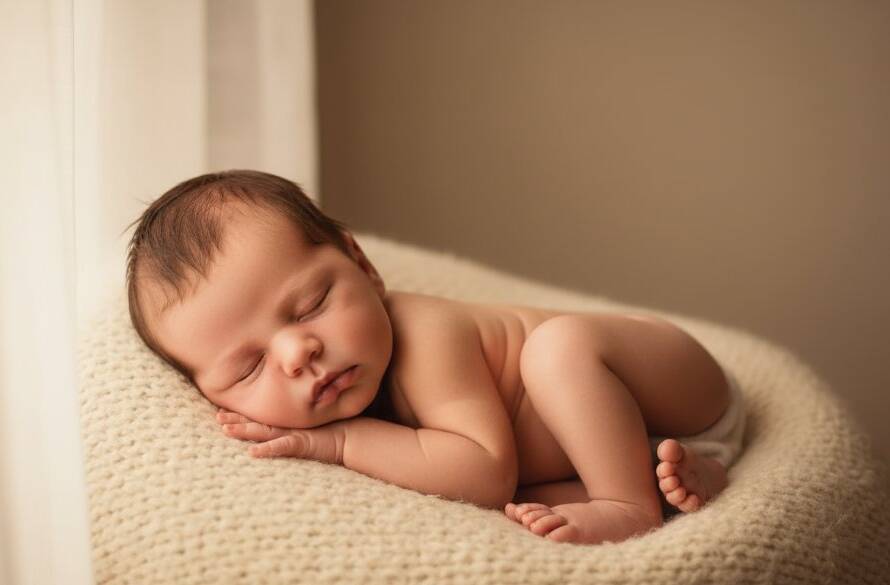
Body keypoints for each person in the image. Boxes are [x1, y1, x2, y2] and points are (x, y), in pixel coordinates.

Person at [126, 170, 745, 545]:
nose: (297, 353)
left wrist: (337, 443)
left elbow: (481, 471)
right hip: (642, 439)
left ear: (363, 266)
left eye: (311, 304)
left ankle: (629, 506)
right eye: (248, 368)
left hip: (669, 378)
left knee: (560, 349)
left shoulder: (424, 334)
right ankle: (689, 478)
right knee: (532, 498)